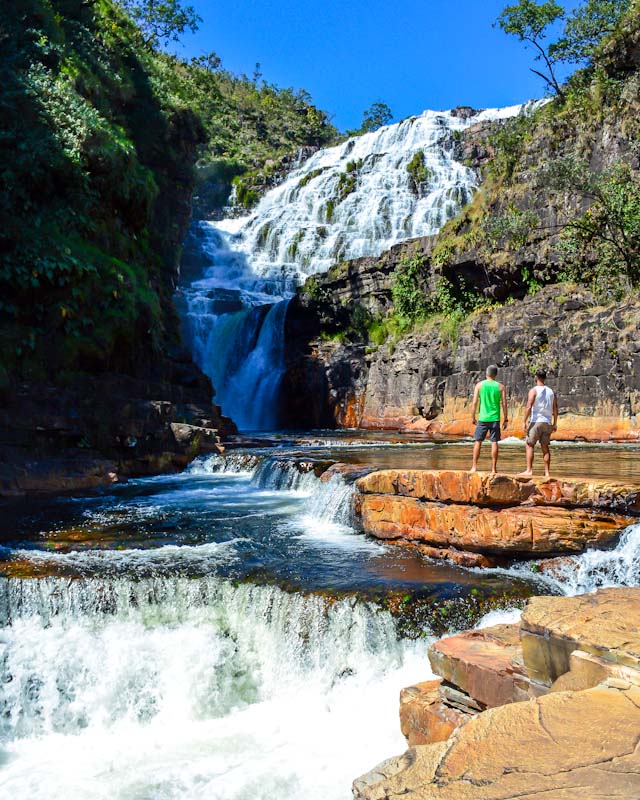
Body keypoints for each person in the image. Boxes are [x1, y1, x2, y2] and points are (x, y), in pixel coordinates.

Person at [519, 369, 558, 478]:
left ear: (536, 377)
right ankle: (547, 472)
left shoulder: (534, 390)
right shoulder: (551, 392)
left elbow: (528, 406)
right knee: (545, 447)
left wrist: (524, 421)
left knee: (529, 444)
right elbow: (555, 409)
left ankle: (529, 470)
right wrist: (555, 423)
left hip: (536, 421)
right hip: (547, 422)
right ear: (545, 378)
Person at [470, 365, 508, 474]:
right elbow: (504, 404)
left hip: (482, 418)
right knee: (494, 442)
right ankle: (493, 469)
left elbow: (474, 403)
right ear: (495, 375)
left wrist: (473, 417)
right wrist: (505, 419)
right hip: (495, 418)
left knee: (478, 441)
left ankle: (474, 467)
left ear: (486, 374)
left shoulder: (479, 385)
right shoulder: (500, 387)